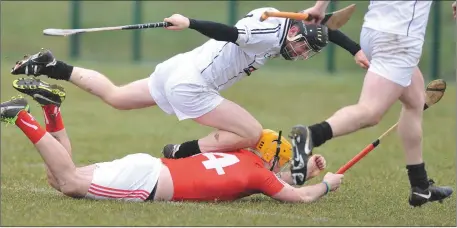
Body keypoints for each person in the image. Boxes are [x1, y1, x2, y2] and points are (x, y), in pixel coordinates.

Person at [10, 7, 369, 167]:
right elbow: (228, 32)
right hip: (191, 84)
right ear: (293, 31)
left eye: (308, 51)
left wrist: (355, 50)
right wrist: (189, 22)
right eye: (303, 46)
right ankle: (180, 152)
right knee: (249, 133)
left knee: (117, 97)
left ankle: (54, 66)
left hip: (177, 69)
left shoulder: (284, 22)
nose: (301, 52)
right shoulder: (263, 33)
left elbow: (325, 28)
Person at [1, 78, 344, 202]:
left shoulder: (244, 156)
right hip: (146, 182)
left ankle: (51, 110)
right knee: (70, 182)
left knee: (60, 178)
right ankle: (22, 116)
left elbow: (268, 180)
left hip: (149, 168)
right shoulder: (258, 173)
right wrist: (326, 183)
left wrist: (309, 173)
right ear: (271, 160)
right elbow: (296, 196)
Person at [288, 0, 453, 207]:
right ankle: (311, 135)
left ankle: (420, 187)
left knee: (415, 101)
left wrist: (320, 7)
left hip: (375, 31)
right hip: (399, 38)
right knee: (370, 111)